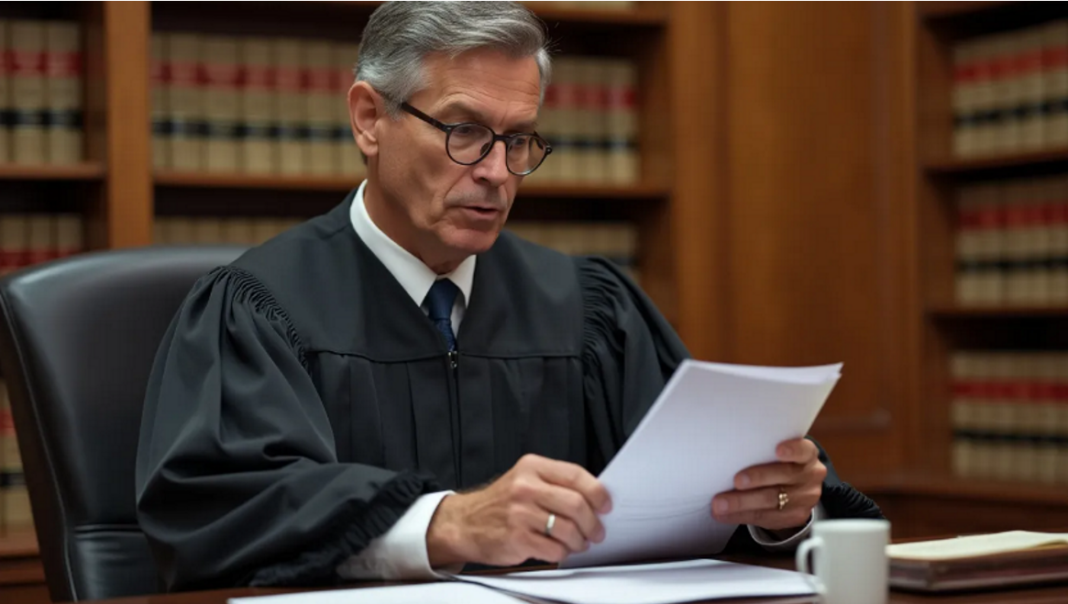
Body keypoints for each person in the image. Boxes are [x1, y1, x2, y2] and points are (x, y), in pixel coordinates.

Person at [134, 0, 882, 592]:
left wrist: (775, 510)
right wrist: (445, 525)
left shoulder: (588, 311)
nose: (496, 171)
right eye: (464, 131)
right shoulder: (259, 308)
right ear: (369, 119)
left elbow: (689, 496)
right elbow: (225, 513)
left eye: (518, 139)